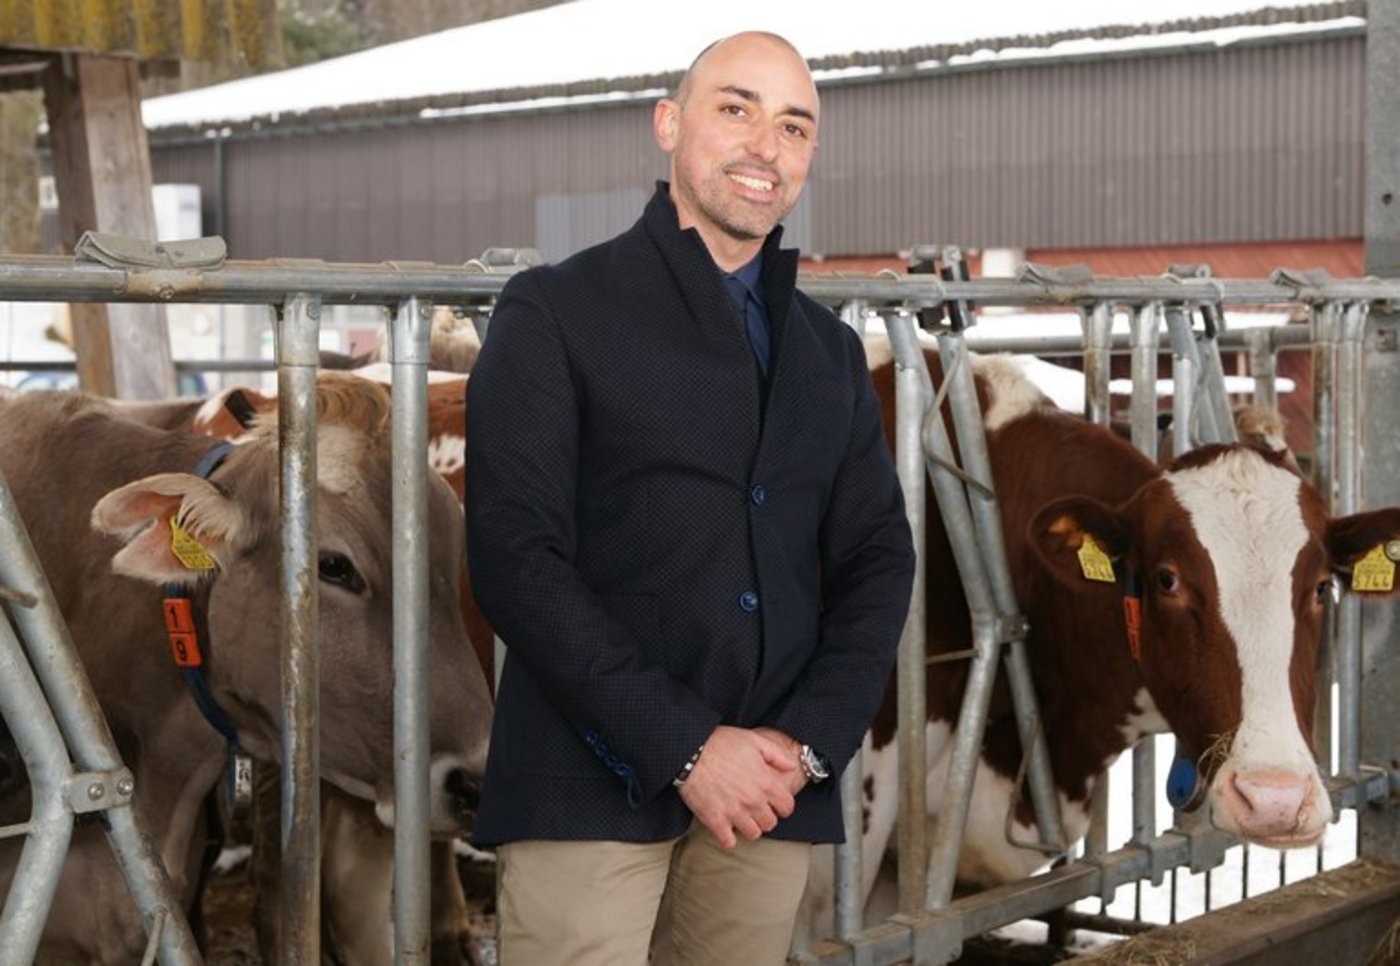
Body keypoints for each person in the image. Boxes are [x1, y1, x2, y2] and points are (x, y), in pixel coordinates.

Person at [465, 30, 916, 966]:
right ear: (669, 125)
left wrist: (807, 744)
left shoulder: (828, 352)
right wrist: (686, 746)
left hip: (767, 797)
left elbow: (879, 557)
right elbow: (516, 560)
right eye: (736, 108)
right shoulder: (552, 311)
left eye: (794, 126)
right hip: (591, 788)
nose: (766, 145)